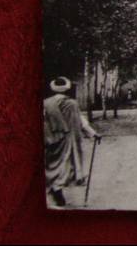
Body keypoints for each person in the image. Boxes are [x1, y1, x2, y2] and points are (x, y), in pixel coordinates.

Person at [43, 77, 100, 207]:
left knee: (52, 165)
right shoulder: (72, 104)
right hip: (69, 141)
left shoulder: (45, 103)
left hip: (51, 140)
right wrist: (93, 133)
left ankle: (55, 189)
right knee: (66, 166)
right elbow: (81, 122)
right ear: (67, 89)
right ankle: (57, 189)